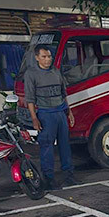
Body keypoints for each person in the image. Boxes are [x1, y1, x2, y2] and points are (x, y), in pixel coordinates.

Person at [24, 44, 75, 189]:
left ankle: (69, 175)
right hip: (45, 114)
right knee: (47, 147)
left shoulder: (56, 72)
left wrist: (69, 112)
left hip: (60, 112)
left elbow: (63, 93)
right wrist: (34, 118)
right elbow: (30, 99)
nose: (47, 60)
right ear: (37, 58)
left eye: (49, 56)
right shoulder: (31, 74)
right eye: (44, 57)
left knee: (65, 145)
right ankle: (49, 178)